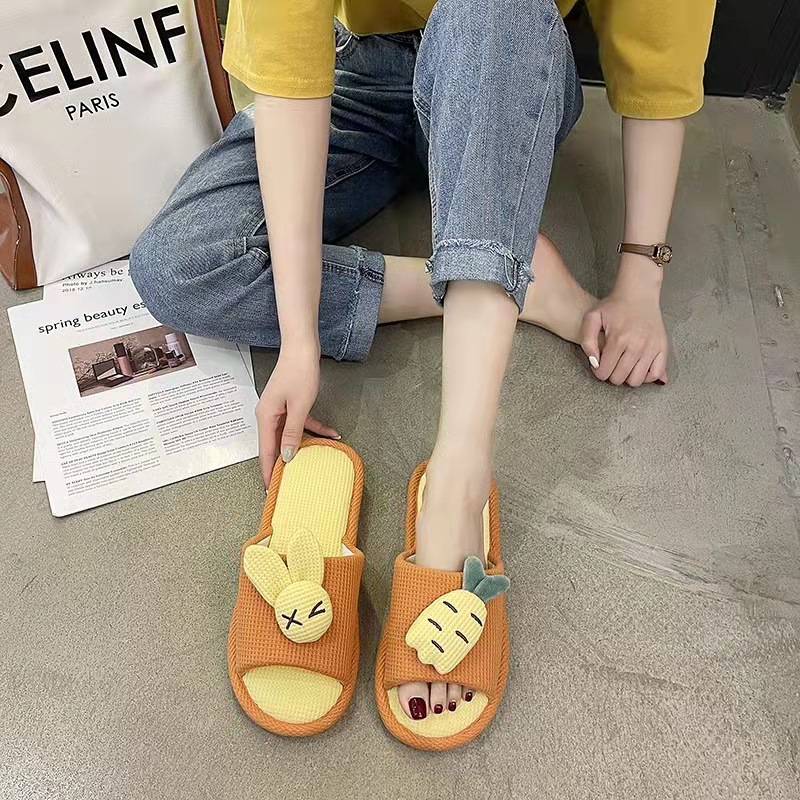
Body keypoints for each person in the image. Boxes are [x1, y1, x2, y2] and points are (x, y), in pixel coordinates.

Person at [130, 0, 715, 721]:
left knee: (491, 7)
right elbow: (287, 66)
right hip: (360, 76)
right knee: (176, 267)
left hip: (502, 69)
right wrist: (299, 339)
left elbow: (661, 41)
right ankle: (504, 278)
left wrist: (641, 280)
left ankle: (457, 482)